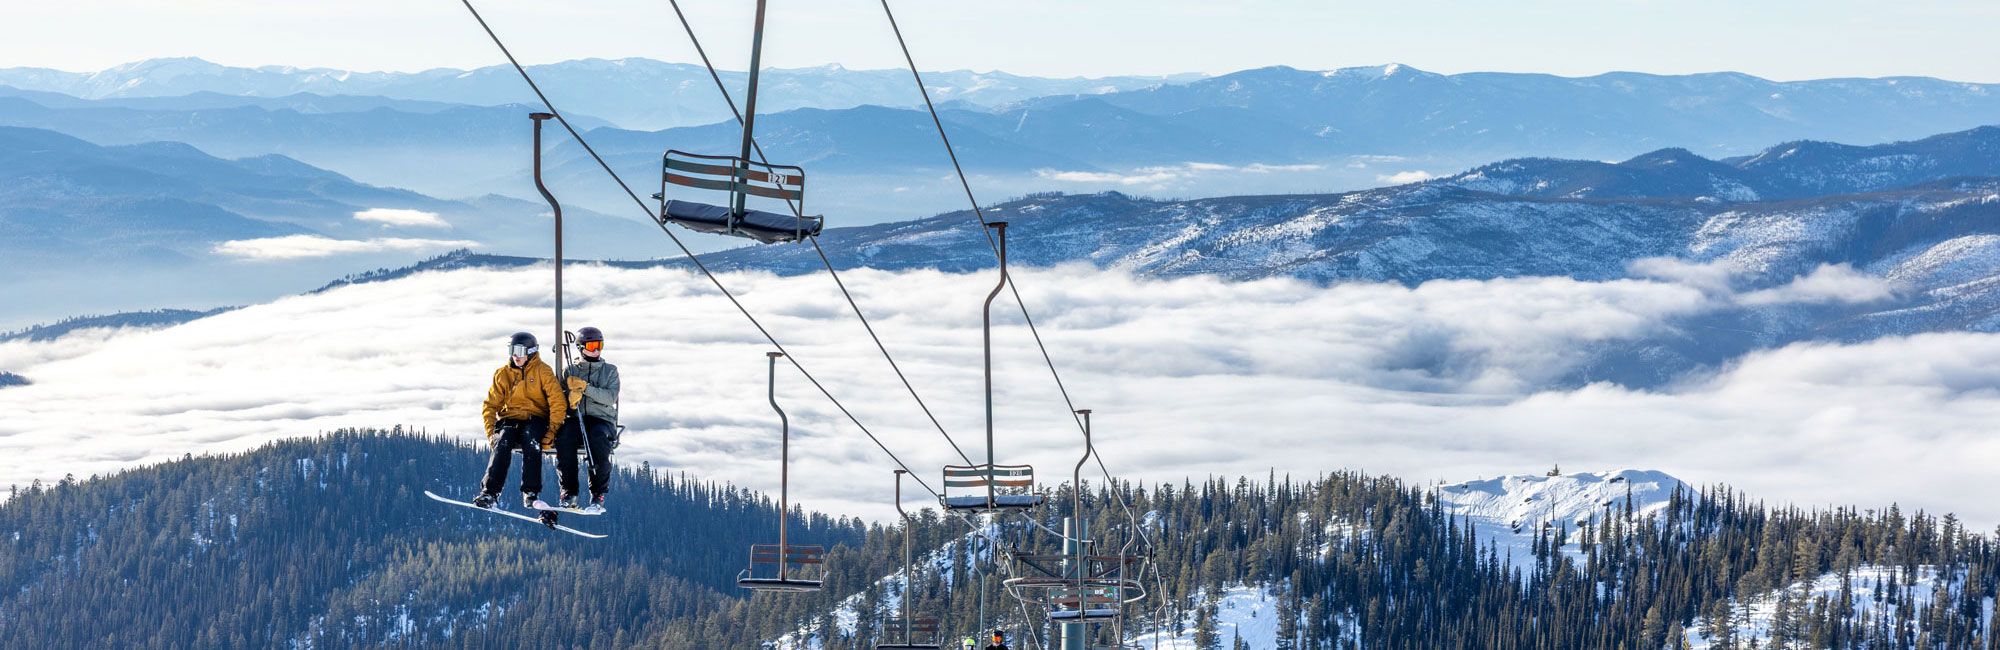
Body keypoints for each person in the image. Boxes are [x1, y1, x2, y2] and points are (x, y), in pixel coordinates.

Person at [475, 331, 567, 509]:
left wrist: (552, 431)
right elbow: (490, 405)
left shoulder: (543, 372)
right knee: (502, 442)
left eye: (520, 351)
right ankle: (490, 493)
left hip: (535, 418)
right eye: (512, 350)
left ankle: (530, 492)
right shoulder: (503, 374)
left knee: (531, 441)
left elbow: (557, 402)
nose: (516, 356)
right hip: (510, 418)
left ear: (531, 352)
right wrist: (491, 433)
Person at [556, 326, 621, 510]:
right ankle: (569, 492)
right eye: (592, 346)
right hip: (576, 417)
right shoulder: (570, 371)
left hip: (602, 419)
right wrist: (569, 399)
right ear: (581, 348)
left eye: (599, 345)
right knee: (565, 438)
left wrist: (586, 389)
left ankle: (598, 493)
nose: (596, 350)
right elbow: (560, 397)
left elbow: (610, 397)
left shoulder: (609, 371)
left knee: (598, 439)